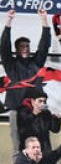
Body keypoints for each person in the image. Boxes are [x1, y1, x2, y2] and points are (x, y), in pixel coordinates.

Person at [2, 9, 51, 152]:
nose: (25, 49)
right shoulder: (11, 65)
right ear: (16, 49)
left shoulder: (36, 63)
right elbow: (4, 47)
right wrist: (9, 22)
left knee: (42, 142)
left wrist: (44, 21)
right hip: (16, 109)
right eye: (21, 46)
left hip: (35, 109)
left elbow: (44, 46)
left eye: (27, 46)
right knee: (17, 143)